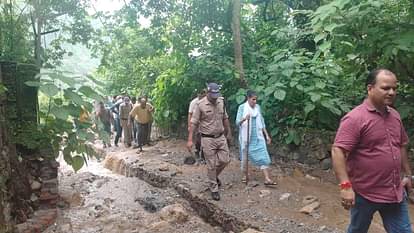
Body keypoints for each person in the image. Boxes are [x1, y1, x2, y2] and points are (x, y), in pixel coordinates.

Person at [331, 69, 412, 233]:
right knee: (357, 230)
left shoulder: (395, 116)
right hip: (365, 193)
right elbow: (338, 150)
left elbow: (401, 145)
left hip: (394, 192)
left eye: (394, 89)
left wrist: (408, 175)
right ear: (370, 88)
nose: (391, 92)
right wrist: (345, 187)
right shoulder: (355, 118)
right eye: (385, 88)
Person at [187, 83, 232, 201]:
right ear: (208, 93)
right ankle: (214, 189)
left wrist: (229, 132)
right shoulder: (200, 105)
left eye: (217, 94)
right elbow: (194, 122)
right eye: (213, 94)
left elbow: (225, 118)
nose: (215, 97)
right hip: (207, 138)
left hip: (221, 137)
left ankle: (213, 177)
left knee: (225, 160)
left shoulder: (221, 102)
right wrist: (190, 139)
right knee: (211, 164)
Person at [236, 90, 276, 185]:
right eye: (253, 99)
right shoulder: (242, 108)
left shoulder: (258, 107)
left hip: (258, 136)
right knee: (245, 156)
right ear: (248, 98)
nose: (255, 102)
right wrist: (244, 119)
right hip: (246, 138)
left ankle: (267, 178)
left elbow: (262, 122)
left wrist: (267, 135)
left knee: (263, 154)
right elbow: (237, 122)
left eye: (256, 99)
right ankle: (245, 175)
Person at [188, 89, 207, 162]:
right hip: (196, 122)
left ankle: (203, 155)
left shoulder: (207, 101)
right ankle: (197, 150)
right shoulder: (194, 102)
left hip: (205, 123)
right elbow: (190, 114)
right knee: (198, 137)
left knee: (205, 139)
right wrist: (189, 125)